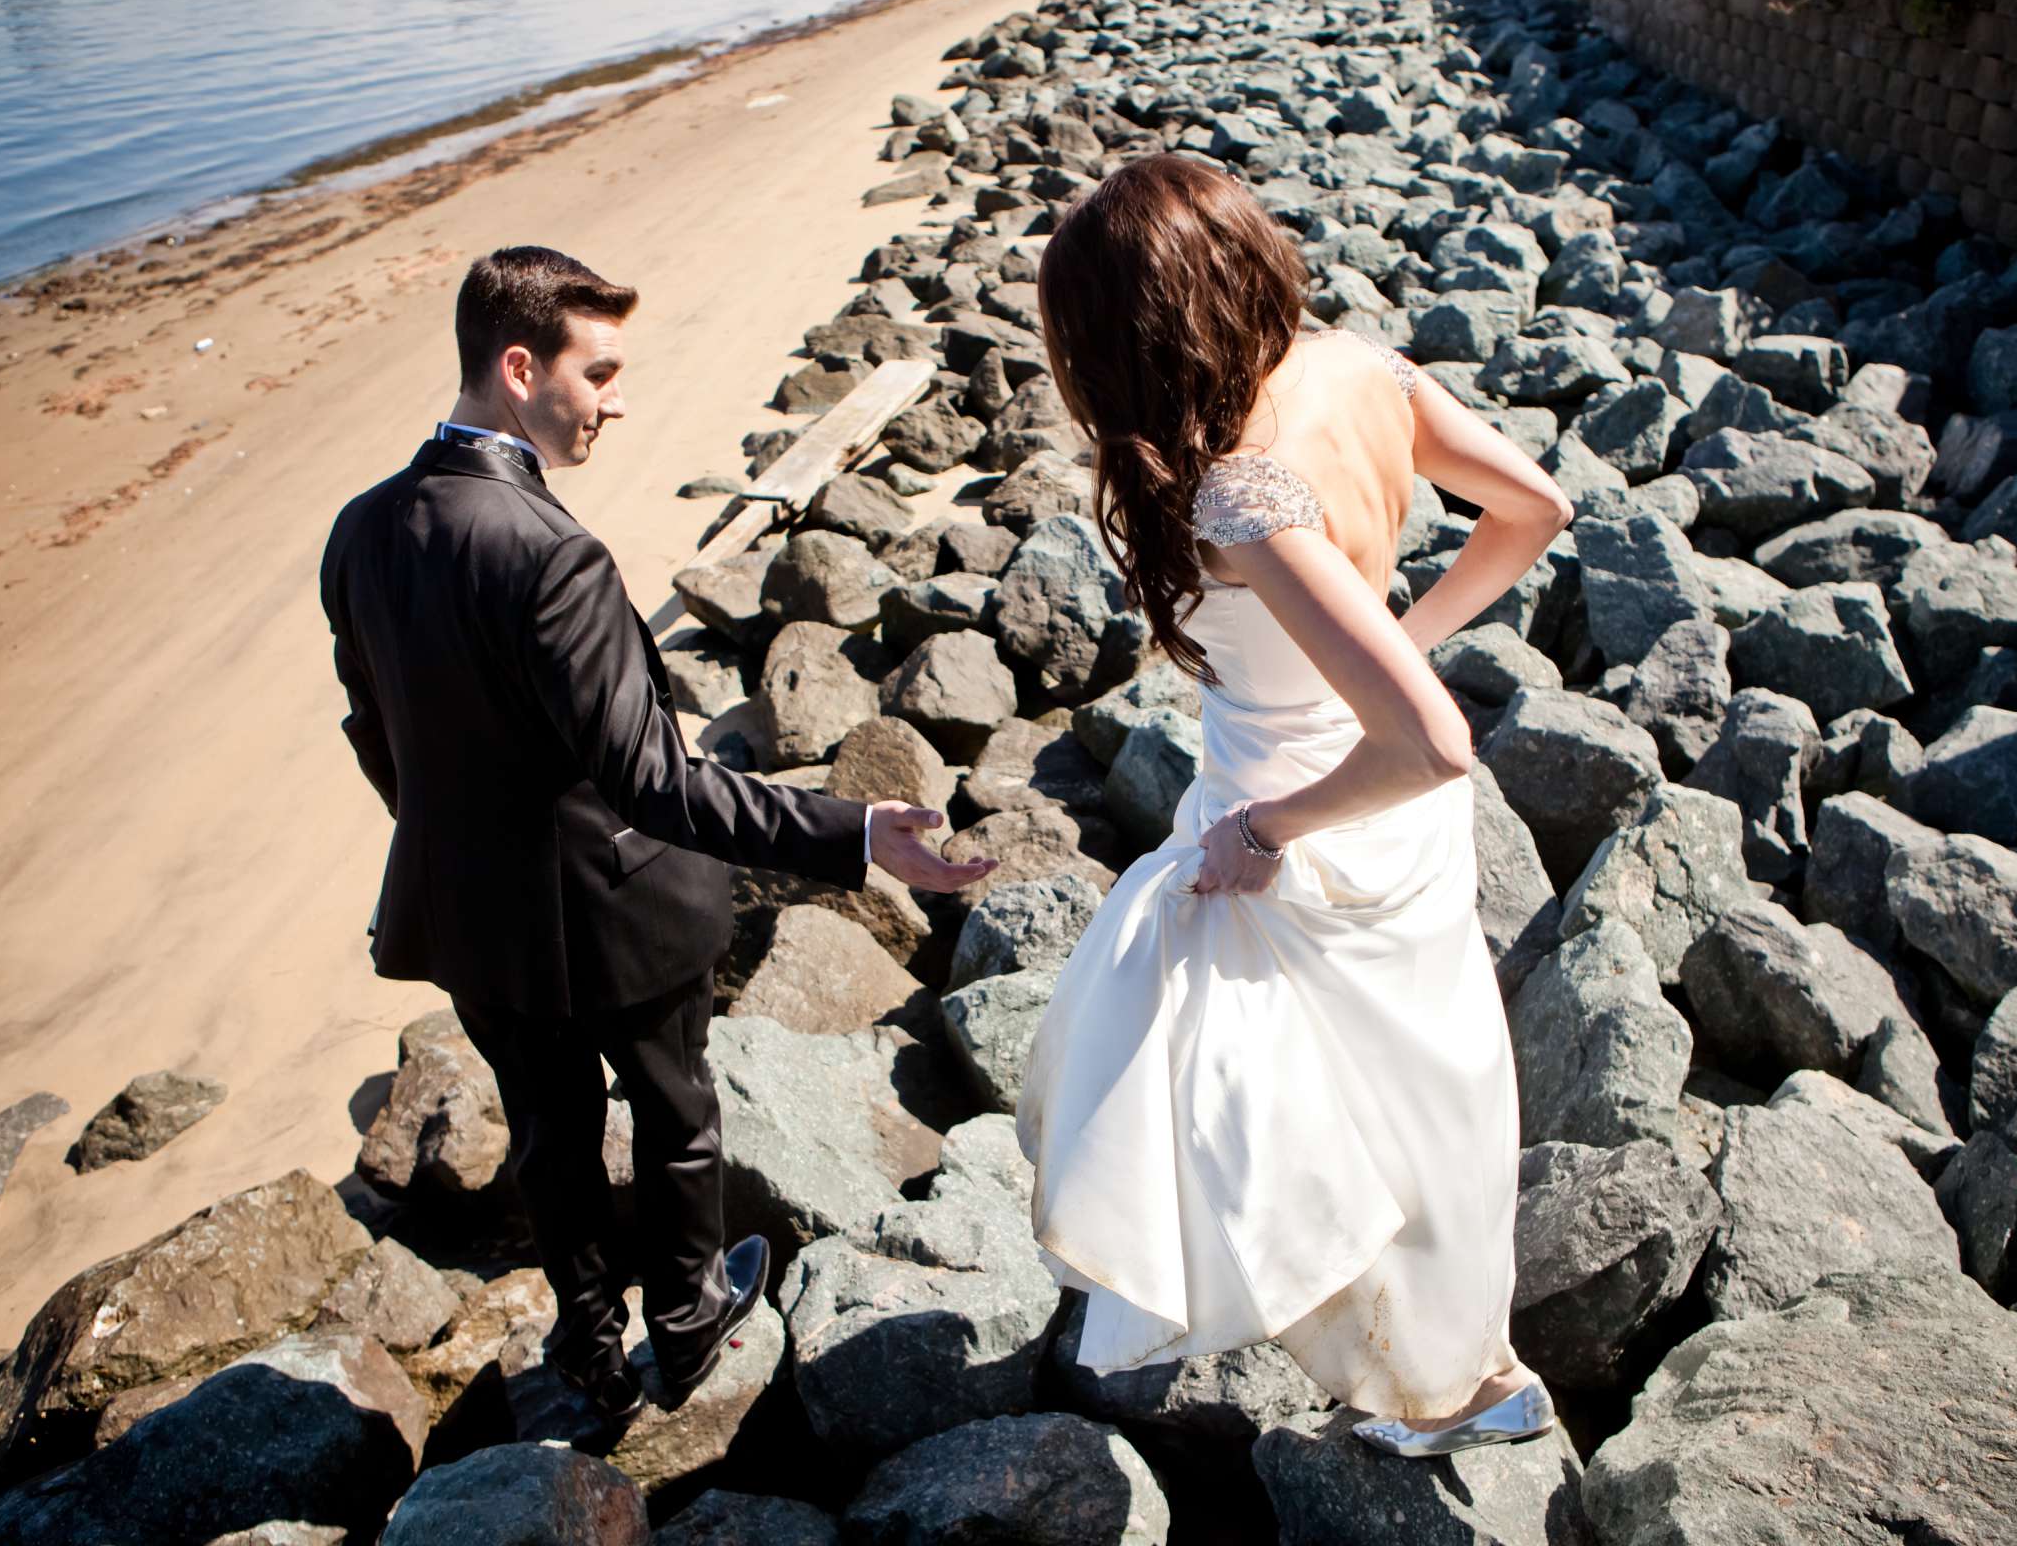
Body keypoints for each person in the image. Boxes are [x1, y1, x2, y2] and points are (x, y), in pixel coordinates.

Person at [319, 245, 994, 1423]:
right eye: (602, 371)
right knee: (678, 1115)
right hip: (620, 910)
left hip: (470, 911)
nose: (617, 400)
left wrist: (452, 838)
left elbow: (375, 734)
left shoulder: (362, 529)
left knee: (548, 1138)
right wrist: (858, 832)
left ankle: (586, 1350)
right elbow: (656, 784)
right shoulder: (552, 554)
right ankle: (686, 1324)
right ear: (520, 367)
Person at [1014, 154, 1574, 1457]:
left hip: (1310, 814)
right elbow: (1535, 506)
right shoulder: (1358, 367)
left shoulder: (1233, 490)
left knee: (1222, 1080)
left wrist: (1262, 833)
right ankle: (1455, 1356)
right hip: (1380, 812)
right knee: (1415, 1082)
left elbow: (1433, 743)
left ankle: (1451, 1377)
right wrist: (1406, 637)